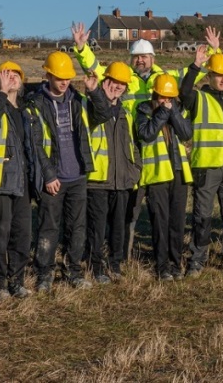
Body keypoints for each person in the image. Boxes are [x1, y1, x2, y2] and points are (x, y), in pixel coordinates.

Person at [70, 23, 216, 261]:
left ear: (153, 58)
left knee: (159, 212)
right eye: (136, 57)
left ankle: (154, 257)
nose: (140, 61)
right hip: (130, 150)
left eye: (144, 57)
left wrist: (213, 52)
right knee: (130, 212)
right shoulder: (124, 78)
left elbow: (195, 71)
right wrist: (82, 47)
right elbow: (95, 68)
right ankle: (123, 256)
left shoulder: (165, 78)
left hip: (160, 153)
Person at [26, 51, 111, 293]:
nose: (64, 82)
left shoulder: (78, 100)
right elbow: (35, 143)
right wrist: (48, 174)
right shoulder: (36, 104)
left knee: (77, 228)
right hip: (54, 179)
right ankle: (44, 273)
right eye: (59, 78)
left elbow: (103, 114)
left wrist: (94, 92)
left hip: (78, 177)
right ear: (48, 75)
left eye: (67, 78)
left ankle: (73, 271)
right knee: (48, 228)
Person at [178, 45, 223, 275]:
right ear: (210, 75)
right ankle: (197, 260)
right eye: (218, 75)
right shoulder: (199, 98)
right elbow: (183, 93)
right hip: (206, 168)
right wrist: (195, 65)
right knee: (202, 218)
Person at [84, 62, 142, 284]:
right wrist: (98, 95)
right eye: (113, 82)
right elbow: (99, 115)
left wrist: (135, 169)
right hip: (99, 179)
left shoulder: (126, 113)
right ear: (104, 81)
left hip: (122, 180)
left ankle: (115, 264)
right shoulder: (92, 107)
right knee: (96, 228)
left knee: (119, 226)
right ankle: (96, 267)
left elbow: (132, 144)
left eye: (121, 84)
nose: (116, 87)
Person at [0, 61, 32, 299]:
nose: (12, 78)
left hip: (23, 183)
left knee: (22, 234)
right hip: (0, 181)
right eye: (6, 74)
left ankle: (17, 281)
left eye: (16, 75)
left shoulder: (26, 112)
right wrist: (1, 93)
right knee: (0, 234)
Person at [136, 74, 194, 281]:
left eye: (170, 98)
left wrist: (174, 112)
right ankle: (162, 266)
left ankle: (175, 263)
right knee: (160, 222)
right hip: (158, 175)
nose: (166, 101)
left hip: (178, 174)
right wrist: (162, 113)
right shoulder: (144, 109)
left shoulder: (178, 110)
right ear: (155, 94)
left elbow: (186, 133)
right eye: (162, 97)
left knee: (177, 222)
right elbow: (147, 134)